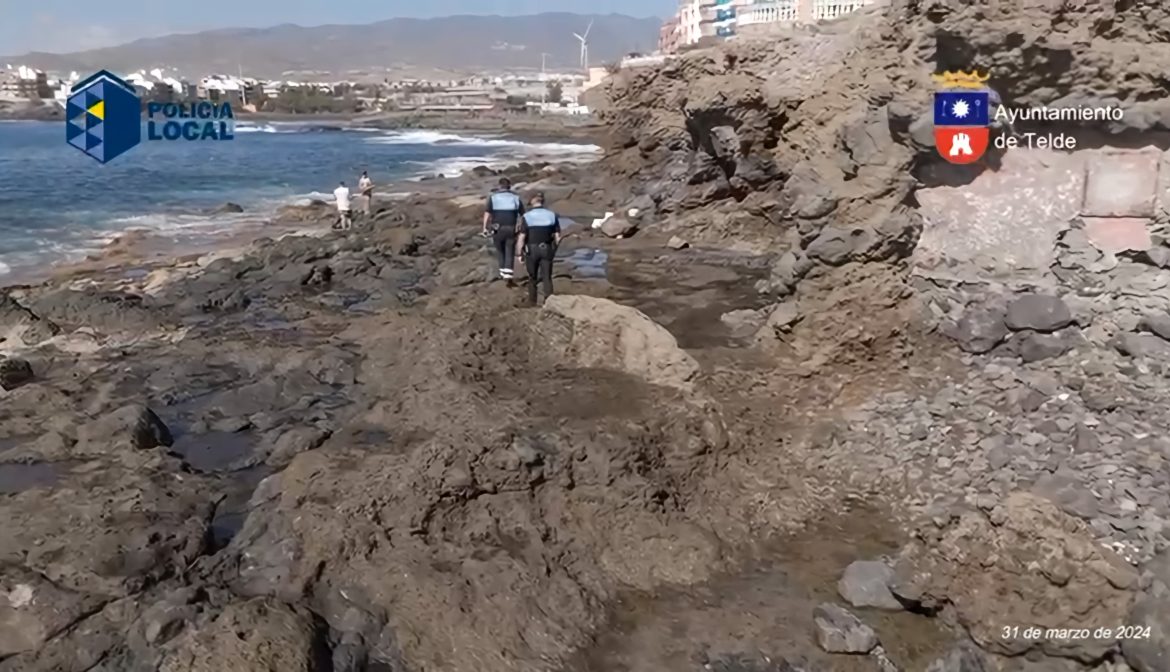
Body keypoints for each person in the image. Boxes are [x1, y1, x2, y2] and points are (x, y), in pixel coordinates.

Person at [517, 194, 561, 306]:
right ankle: (549, 302)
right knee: (547, 277)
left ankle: (532, 302)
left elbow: (522, 237)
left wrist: (519, 253)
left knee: (532, 277)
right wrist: (553, 249)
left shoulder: (527, 217)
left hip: (532, 249)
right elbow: (557, 237)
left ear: (532, 202)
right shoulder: (552, 215)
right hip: (546, 248)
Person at [482, 177, 524, 285]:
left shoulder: (493, 198)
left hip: (497, 228)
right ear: (509, 186)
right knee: (509, 250)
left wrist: (484, 228)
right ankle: (508, 275)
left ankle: (502, 273)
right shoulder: (516, 198)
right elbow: (523, 215)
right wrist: (520, 227)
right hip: (511, 227)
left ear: (499, 186)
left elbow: (487, 213)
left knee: (500, 251)